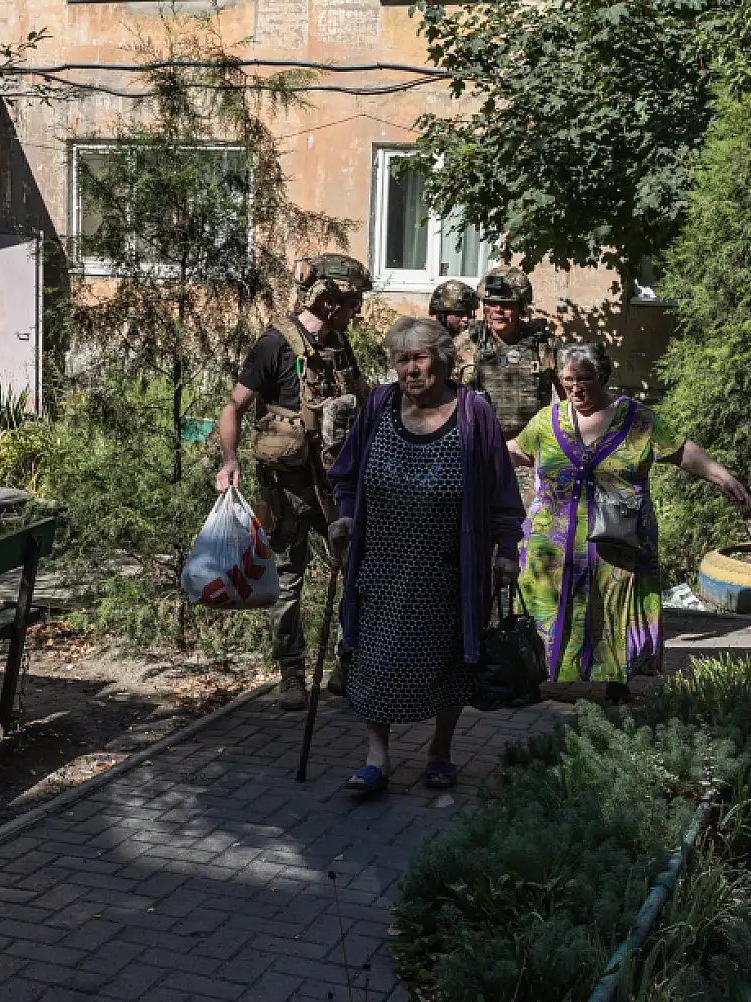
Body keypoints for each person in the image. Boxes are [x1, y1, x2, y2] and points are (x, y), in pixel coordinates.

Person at [327, 317, 524, 794]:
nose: (410, 370)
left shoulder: (474, 413)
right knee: (373, 656)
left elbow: (501, 491)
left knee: (449, 661)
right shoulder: (378, 404)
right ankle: (377, 756)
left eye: (419, 358)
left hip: (451, 565)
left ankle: (440, 751)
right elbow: (348, 474)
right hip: (381, 562)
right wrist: (346, 516)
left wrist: (506, 550)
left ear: (443, 360)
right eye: (401, 360)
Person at [507, 342, 751, 702]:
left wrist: (724, 478)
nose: (576, 388)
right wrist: (474, 452)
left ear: (603, 376)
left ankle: (616, 680)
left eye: (585, 379)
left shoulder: (637, 419)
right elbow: (515, 450)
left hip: (617, 540)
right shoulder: (547, 421)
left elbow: (682, 450)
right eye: (568, 380)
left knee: (615, 603)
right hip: (551, 543)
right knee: (542, 600)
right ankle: (532, 678)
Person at [216, 252, 372, 710]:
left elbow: (362, 400)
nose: (355, 311)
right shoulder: (275, 344)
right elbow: (234, 407)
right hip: (285, 485)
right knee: (286, 579)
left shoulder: (340, 344)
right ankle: (291, 675)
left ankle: (347, 663)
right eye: (350, 302)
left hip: (336, 484)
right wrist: (230, 460)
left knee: (356, 572)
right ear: (327, 300)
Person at [456, 265, 559, 439]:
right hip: (481, 444)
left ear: (522, 307)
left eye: (506, 304)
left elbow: (568, 400)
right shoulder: (466, 343)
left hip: (532, 447)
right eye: (491, 303)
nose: (498, 310)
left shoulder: (545, 345)